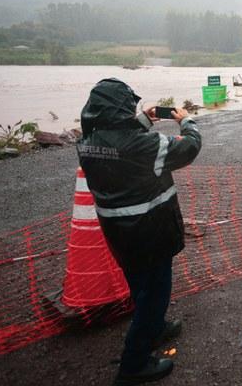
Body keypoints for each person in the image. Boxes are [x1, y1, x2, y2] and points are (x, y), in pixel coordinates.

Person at [77, 78, 202, 385]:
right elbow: (189, 148)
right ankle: (134, 363)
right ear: (119, 109)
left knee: (139, 286)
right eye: (129, 107)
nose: (132, 111)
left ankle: (155, 328)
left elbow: (120, 141)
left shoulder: (89, 142)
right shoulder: (145, 146)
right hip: (151, 232)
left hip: (119, 235)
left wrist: (145, 119)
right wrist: (188, 121)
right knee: (154, 294)